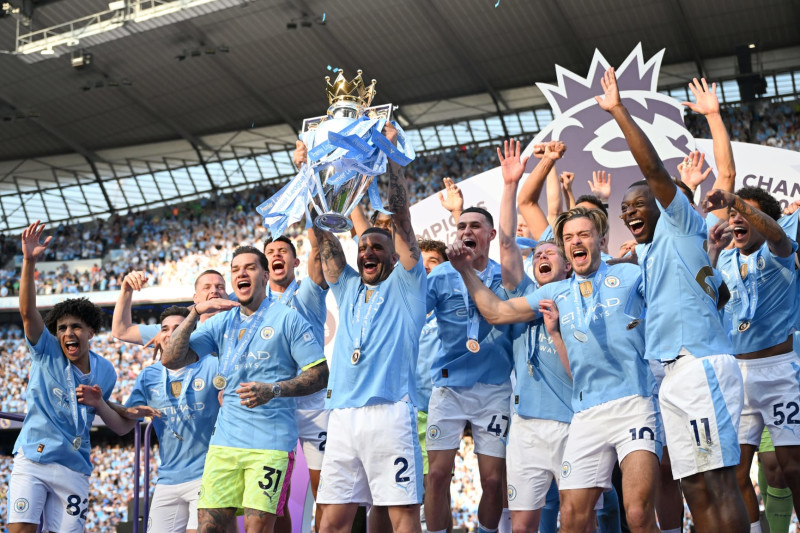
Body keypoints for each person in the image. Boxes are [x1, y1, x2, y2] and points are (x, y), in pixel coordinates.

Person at [598, 66, 748, 532]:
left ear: (663, 205)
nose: (629, 212)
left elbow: (652, 170)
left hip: (700, 367)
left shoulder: (681, 224)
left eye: (637, 204)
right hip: (674, 376)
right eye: (624, 210)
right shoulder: (651, 258)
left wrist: (619, 110)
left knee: (719, 484)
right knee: (694, 487)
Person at [449, 207, 660, 533]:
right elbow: (496, 311)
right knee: (574, 520)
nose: (576, 241)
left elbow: (673, 294)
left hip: (634, 404)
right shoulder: (555, 292)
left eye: (584, 235)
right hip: (587, 416)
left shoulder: (632, 276)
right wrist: (465, 271)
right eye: (569, 237)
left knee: (638, 513)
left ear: (601, 241)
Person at [161, 245, 329, 533]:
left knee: (257, 529)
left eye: (249, 267)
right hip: (225, 445)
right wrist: (195, 313)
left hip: (270, 446)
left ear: (265, 276)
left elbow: (321, 373)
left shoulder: (287, 318)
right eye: (235, 269)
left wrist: (272, 390)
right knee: (207, 530)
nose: (241, 273)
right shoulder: (221, 322)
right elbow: (171, 358)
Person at [312, 122, 426, 533]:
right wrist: (311, 175)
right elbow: (324, 241)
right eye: (362, 248)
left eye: (377, 247)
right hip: (341, 415)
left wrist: (392, 158)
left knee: (402, 520)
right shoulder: (346, 289)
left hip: (390, 413)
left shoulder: (407, 284)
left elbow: (402, 219)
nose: (367, 252)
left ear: (394, 257)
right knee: (331, 524)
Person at [7, 221, 117, 533]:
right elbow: (29, 313)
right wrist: (29, 261)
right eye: (62, 327)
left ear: (91, 332)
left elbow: (101, 406)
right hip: (33, 460)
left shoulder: (107, 370)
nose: (68, 333)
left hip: (74, 468)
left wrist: (127, 411)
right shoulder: (47, 350)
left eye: (76, 327)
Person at [705, 186, 799, 533]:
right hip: (736, 374)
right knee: (734, 471)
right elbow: (703, 300)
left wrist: (735, 201)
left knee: (792, 469)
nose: (736, 218)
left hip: (780, 374)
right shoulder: (726, 258)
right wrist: (712, 253)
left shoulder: (781, 251)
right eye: (733, 215)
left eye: (745, 213)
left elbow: (776, 233)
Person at [79, 306, 221, 533]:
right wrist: (99, 404)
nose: (170, 333)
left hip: (207, 475)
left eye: (179, 328)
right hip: (168, 478)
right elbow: (124, 426)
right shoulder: (149, 375)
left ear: (191, 334)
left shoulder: (213, 365)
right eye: (165, 329)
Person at [495, 140, 575, 533]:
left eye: (551, 252)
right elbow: (507, 242)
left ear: (567, 264)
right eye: (538, 253)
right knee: (522, 526)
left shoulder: (579, 300)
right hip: (525, 426)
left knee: (578, 521)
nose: (542, 256)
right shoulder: (523, 294)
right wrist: (511, 184)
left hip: (572, 422)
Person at [263, 234, 329, 533]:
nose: (276, 255)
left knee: (326, 491)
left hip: (315, 405)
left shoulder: (308, 292)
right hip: (277, 407)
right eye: (270, 252)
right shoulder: (256, 303)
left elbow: (319, 249)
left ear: (295, 261)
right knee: (277, 497)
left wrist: (313, 210)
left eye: (282, 251)